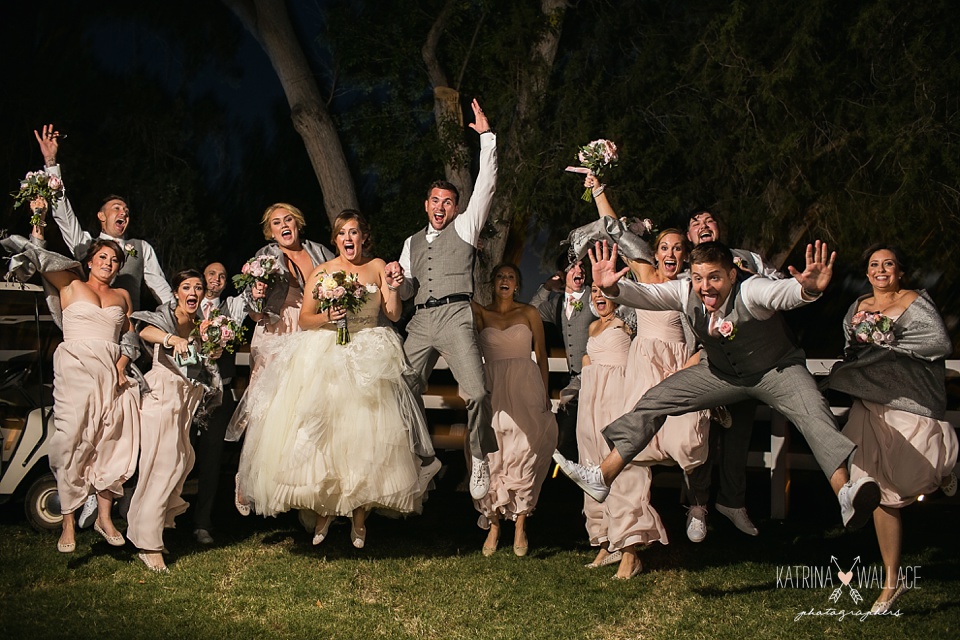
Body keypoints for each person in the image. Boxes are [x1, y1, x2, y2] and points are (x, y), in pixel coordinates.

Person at [554, 240, 883, 534]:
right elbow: (648, 295)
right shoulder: (686, 291)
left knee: (814, 412)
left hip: (776, 370)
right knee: (655, 399)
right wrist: (613, 288)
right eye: (698, 278)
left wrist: (806, 291)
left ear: (731, 275)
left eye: (714, 278)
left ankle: (845, 491)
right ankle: (603, 476)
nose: (705, 287)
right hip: (721, 373)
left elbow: (781, 294)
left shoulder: (753, 290)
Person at [237, 210, 437, 549]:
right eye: (342, 232)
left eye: (354, 232)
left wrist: (392, 286)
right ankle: (325, 511)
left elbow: (393, 314)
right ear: (335, 239)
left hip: (370, 352)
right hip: (328, 353)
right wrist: (329, 315)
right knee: (325, 437)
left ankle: (359, 515)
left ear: (363, 237)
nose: (348, 238)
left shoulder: (377, 266)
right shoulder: (323, 271)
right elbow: (305, 318)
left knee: (366, 438)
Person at [827, 244, 958, 613]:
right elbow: (851, 347)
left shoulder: (914, 300)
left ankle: (944, 466)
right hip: (870, 401)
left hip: (909, 398)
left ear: (900, 271)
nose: (881, 270)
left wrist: (890, 342)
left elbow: (937, 342)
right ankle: (890, 583)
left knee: (918, 466)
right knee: (876, 488)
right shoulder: (858, 307)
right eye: (873, 265)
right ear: (867, 273)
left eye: (888, 264)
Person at [6, 204, 140, 554]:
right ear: (91, 259)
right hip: (77, 367)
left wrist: (124, 364)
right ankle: (68, 519)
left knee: (112, 441)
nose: (109, 264)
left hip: (112, 371)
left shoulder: (122, 296)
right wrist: (38, 216)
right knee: (71, 439)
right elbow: (36, 254)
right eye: (104, 258)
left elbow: (131, 338)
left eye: (115, 261)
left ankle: (105, 517)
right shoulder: (70, 283)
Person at [385, 98, 497, 500]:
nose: (441, 206)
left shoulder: (466, 227)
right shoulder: (410, 242)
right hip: (420, 320)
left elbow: (486, 183)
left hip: (455, 316)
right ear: (426, 203)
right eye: (435, 200)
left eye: (448, 201)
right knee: (400, 387)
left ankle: (480, 455)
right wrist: (398, 281)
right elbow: (409, 288)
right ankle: (425, 457)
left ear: (455, 207)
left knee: (479, 392)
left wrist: (486, 136)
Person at [127, 270, 222, 572]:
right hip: (161, 397)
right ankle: (148, 544)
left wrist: (213, 351)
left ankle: (148, 528)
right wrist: (172, 338)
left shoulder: (202, 326)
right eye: (186, 287)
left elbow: (201, 367)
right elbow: (143, 331)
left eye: (198, 288)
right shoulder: (164, 315)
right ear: (178, 292)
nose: (192, 292)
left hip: (183, 405)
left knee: (181, 462)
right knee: (162, 465)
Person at [226, 203, 335, 444]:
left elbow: (341, 281)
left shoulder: (319, 252)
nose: (283, 225)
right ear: (271, 231)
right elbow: (254, 313)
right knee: (274, 402)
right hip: (278, 331)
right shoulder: (264, 257)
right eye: (277, 222)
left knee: (310, 400)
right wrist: (256, 296)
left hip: (314, 329)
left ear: (297, 223)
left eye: (288, 219)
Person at [34, 124, 173, 309]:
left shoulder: (142, 248)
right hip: (93, 323)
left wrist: (180, 319)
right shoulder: (85, 245)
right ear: (101, 216)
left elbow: (161, 289)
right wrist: (51, 162)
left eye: (126, 211)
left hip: (128, 328)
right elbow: (64, 216)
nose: (123, 212)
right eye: (116, 208)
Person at [576, 284, 663, 579]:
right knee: (592, 468)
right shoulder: (591, 328)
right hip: (590, 403)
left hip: (617, 399)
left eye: (604, 291)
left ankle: (630, 553)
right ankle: (606, 542)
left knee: (623, 472)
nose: (599, 297)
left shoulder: (628, 324)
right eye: (594, 292)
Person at [471, 264, 557, 557]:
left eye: (510, 276)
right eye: (499, 276)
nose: (505, 280)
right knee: (493, 453)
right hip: (493, 386)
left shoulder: (529, 313)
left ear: (517, 285)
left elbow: (542, 354)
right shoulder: (481, 313)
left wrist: (545, 394)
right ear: (492, 283)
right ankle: (494, 524)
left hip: (525, 386)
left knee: (525, 452)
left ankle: (520, 522)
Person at [191, 262, 246, 545]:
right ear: (202, 279)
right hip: (188, 392)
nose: (217, 279)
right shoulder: (187, 305)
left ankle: (203, 523)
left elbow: (252, 299)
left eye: (223, 276)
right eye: (211, 274)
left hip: (219, 393)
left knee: (212, 460)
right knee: (177, 455)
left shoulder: (232, 310)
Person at [529, 255, 592, 461]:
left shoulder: (594, 297)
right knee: (565, 439)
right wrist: (547, 286)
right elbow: (533, 309)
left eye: (582, 267)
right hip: (574, 380)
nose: (579, 271)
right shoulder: (556, 305)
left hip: (596, 377)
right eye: (573, 267)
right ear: (562, 275)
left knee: (582, 439)